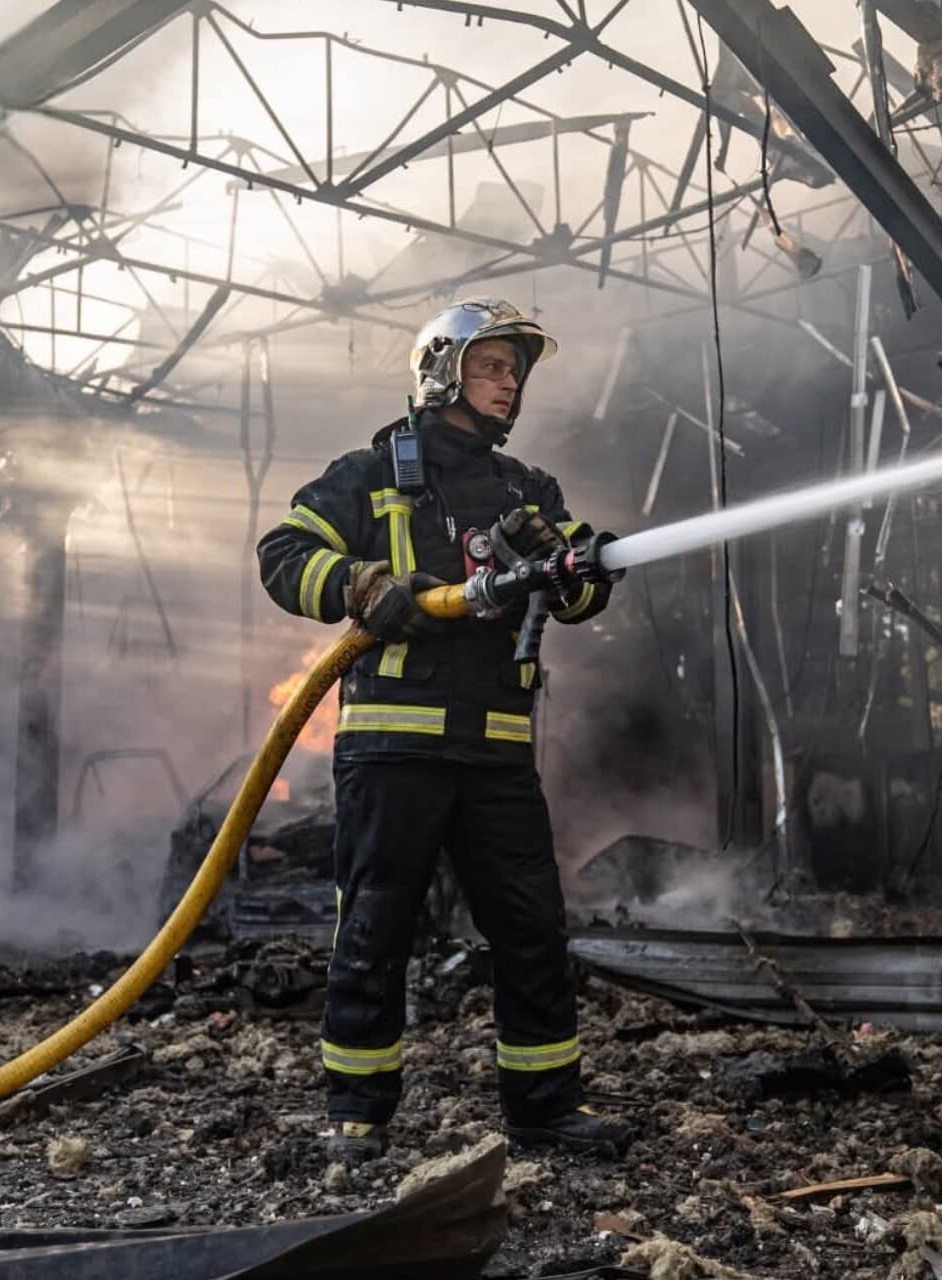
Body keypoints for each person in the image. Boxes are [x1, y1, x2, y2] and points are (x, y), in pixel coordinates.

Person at [256, 297, 630, 1163]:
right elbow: (282, 555)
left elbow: (578, 592)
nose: (507, 385)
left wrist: (571, 563)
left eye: (513, 371)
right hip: (393, 751)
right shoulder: (371, 472)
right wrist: (359, 584)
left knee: (532, 931)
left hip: (497, 754)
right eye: (491, 366)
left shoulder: (527, 492)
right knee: (376, 927)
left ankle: (544, 1109)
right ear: (442, 370)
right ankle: (357, 1113)